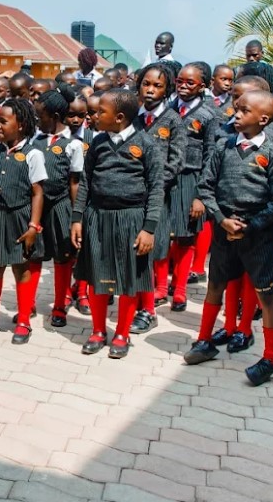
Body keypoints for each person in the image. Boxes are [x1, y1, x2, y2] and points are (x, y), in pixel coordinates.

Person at [183, 91, 273, 388]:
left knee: (265, 295)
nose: (236, 114)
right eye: (235, 109)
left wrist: (250, 226)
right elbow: (206, 186)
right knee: (215, 286)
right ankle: (204, 341)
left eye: (243, 111)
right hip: (223, 230)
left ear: (263, 119)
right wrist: (220, 218)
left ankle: (269, 357)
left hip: (258, 236)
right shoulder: (222, 147)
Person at [71, 89, 164, 359]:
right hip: (97, 217)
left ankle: (122, 333)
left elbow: (156, 188)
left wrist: (149, 228)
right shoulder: (97, 143)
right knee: (97, 275)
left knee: (128, 279)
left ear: (120, 117)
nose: (95, 116)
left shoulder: (146, 145)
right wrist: (78, 218)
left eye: (101, 112)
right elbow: (86, 182)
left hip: (131, 219)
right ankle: (98, 330)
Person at [0, 98, 47, 343]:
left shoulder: (33, 154)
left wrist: (33, 226)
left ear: (22, 124)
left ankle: (24, 320)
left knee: (21, 268)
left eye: (3, 122)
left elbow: (38, 192)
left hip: (20, 218)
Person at [131, 64, 186, 333]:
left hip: (156, 197)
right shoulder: (132, 118)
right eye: (146, 84)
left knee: (151, 252)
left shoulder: (173, 121)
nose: (151, 90)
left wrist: (153, 187)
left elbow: (175, 161)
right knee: (133, 252)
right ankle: (133, 303)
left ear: (167, 90)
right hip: (129, 196)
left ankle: (148, 310)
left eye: (158, 86)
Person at [28, 90, 86, 329]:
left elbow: (75, 182)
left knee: (63, 258)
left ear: (53, 116)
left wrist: (76, 216)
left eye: (40, 116)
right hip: (38, 207)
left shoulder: (73, 145)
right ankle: (27, 302)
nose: (37, 120)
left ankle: (60, 305)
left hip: (61, 205)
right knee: (33, 254)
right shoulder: (34, 141)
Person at [167, 63, 220, 311]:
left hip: (192, 178)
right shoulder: (168, 110)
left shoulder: (209, 115)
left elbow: (211, 155)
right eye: (180, 81)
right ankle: (159, 287)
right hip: (167, 178)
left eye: (190, 83)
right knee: (162, 235)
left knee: (186, 235)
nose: (183, 87)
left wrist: (201, 194)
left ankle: (179, 289)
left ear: (203, 86)